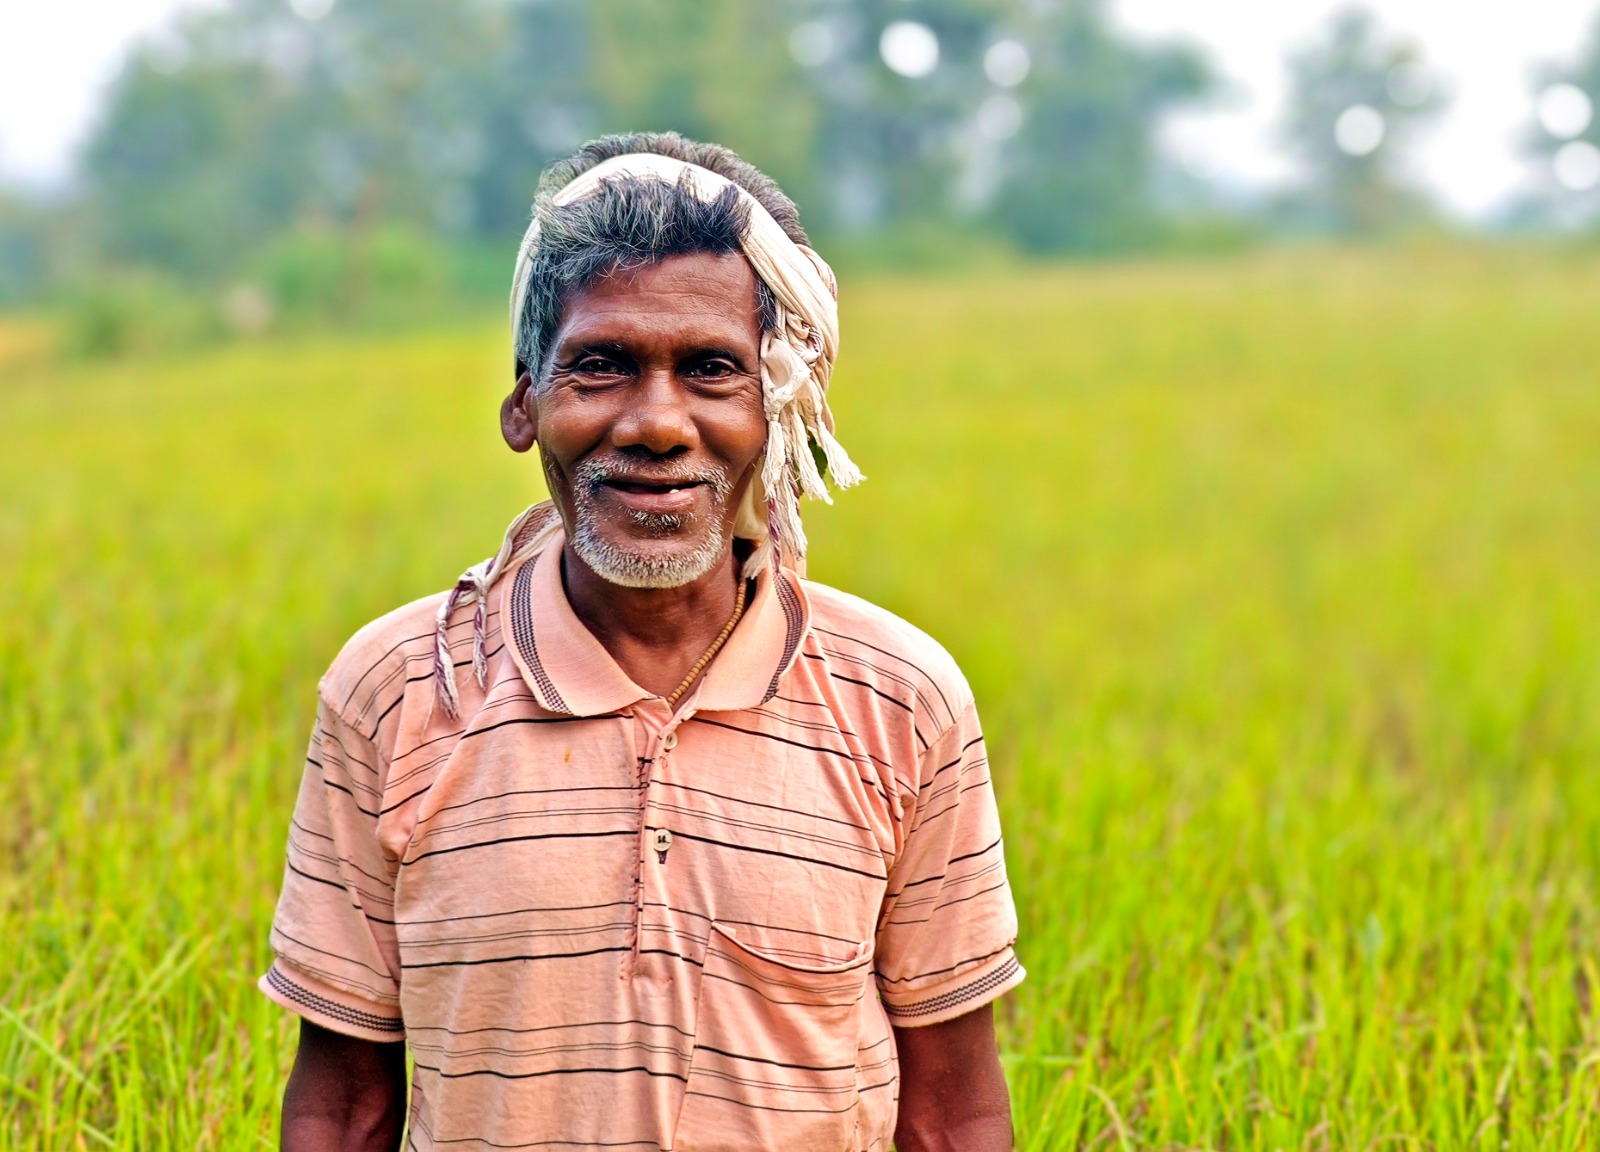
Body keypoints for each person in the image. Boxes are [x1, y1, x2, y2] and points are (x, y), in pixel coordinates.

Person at [261, 132, 1024, 1152]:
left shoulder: (899, 699)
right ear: (524, 401)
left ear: (783, 407)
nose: (657, 424)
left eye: (711, 370)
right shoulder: (402, 688)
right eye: (601, 367)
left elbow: (950, 1107)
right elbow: (346, 1099)